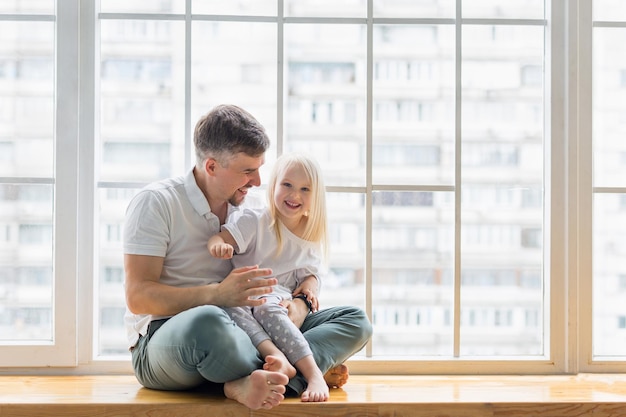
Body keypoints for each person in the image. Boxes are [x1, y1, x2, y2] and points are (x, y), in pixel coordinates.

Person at [123, 104, 372, 410]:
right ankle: (301, 370)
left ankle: (260, 378)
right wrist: (217, 295)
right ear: (212, 166)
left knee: (355, 320)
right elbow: (138, 296)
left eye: (259, 169)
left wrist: (301, 304)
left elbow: (303, 259)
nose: (257, 181)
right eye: (247, 171)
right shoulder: (157, 202)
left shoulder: (253, 204)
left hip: (257, 321)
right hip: (174, 335)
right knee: (210, 319)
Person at [208, 153, 330, 402]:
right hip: (242, 294)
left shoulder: (308, 236)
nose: (294, 195)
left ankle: (313, 373)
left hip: (275, 297)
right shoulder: (254, 221)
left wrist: (309, 286)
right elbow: (220, 238)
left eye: (304, 189)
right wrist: (218, 245)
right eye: (287, 185)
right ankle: (280, 359)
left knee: (267, 309)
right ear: (273, 185)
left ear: (314, 197)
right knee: (226, 308)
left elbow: (311, 275)